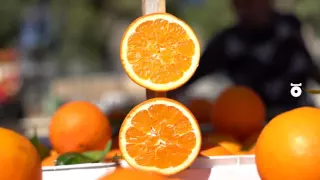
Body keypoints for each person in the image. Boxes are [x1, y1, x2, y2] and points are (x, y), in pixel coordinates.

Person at [170, 0, 320, 119]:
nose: (249, 7)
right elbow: (192, 73)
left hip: (299, 112)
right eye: (242, 2)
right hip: (252, 119)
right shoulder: (227, 41)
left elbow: (308, 64)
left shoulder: (289, 25)